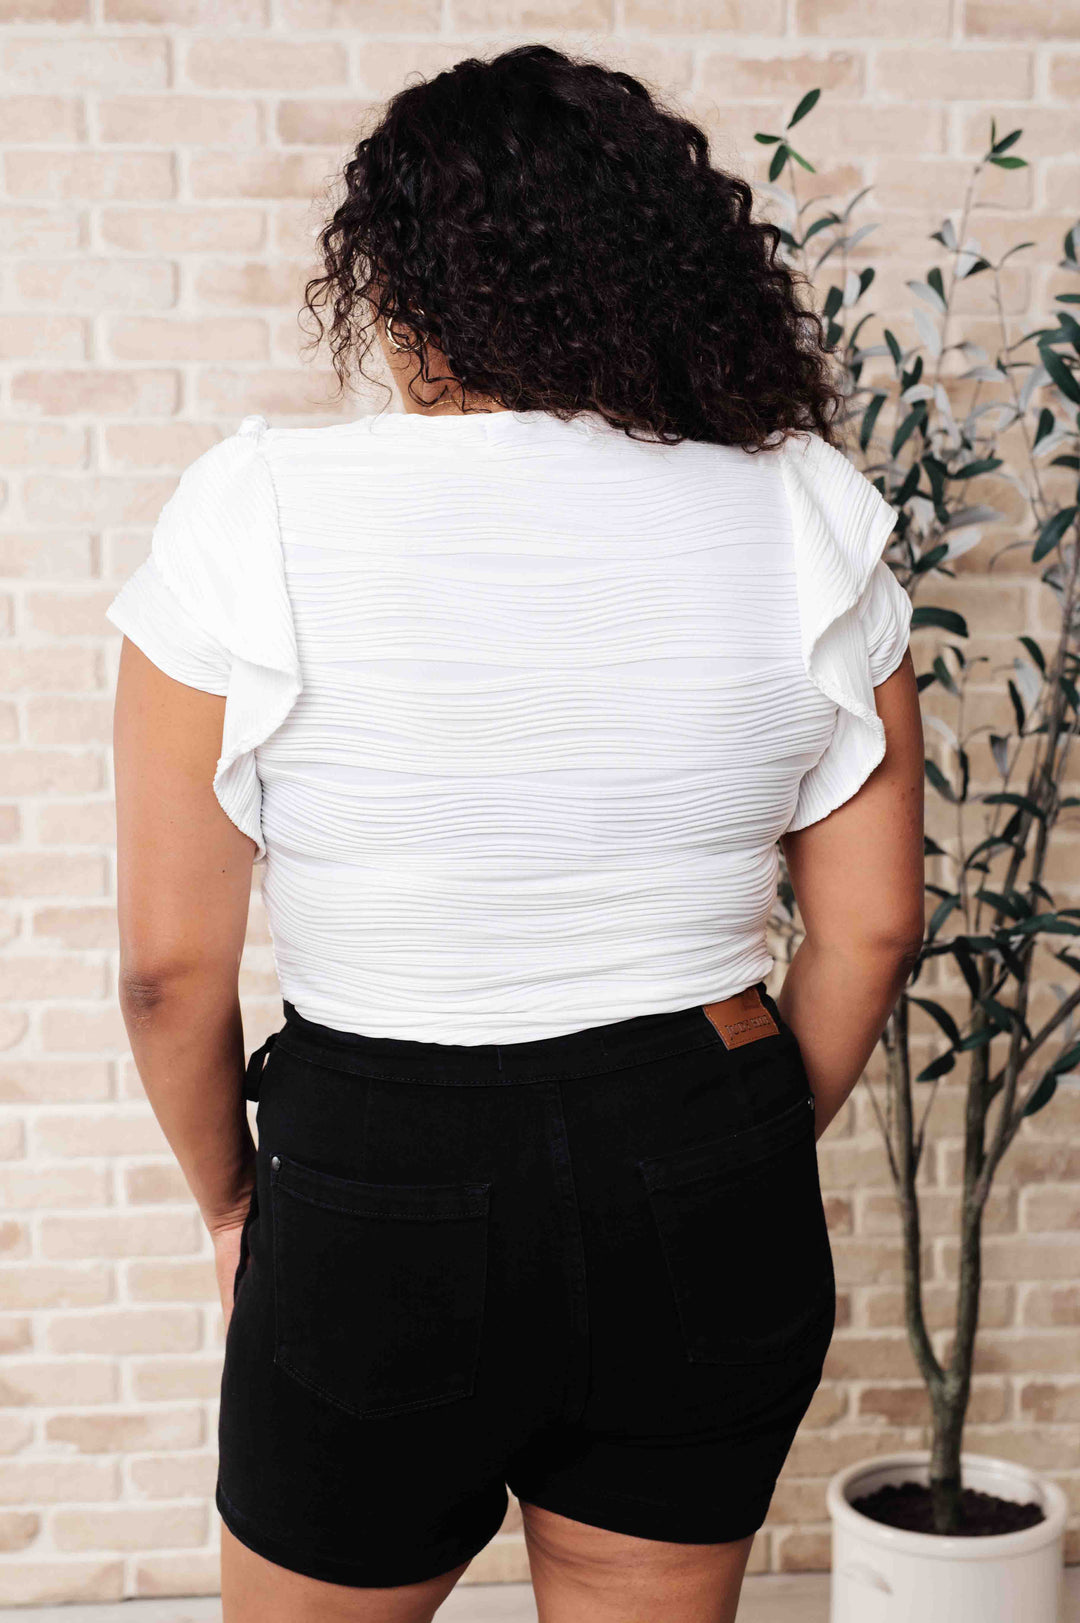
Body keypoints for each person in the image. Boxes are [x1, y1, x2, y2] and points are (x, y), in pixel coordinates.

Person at [105, 42, 924, 1623]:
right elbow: (874, 928)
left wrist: (232, 1206)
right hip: (703, 1133)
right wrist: (725, 1145)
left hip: (377, 1168)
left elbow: (167, 972)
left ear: (401, 285)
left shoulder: (253, 511)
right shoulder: (808, 510)